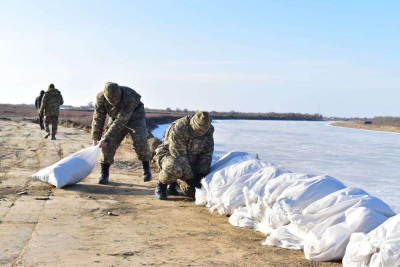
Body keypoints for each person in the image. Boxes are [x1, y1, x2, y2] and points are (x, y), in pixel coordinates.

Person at [91, 82, 152, 184]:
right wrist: (95, 139)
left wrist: (106, 138)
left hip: (135, 118)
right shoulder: (100, 98)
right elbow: (98, 118)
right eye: (111, 101)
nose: (114, 103)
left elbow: (122, 120)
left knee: (140, 139)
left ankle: (146, 168)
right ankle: (104, 173)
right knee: (108, 145)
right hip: (115, 118)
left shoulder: (130, 96)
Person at [155, 111, 214, 200]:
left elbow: (207, 153)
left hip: (190, 160)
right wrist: (189, 178)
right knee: (174, 168)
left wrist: (201, 174)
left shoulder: (209, 130)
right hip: (171, 155)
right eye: (199, 129)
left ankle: (175, 182)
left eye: (204, 130)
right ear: (193, 123)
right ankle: (161, 185)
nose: (201, 131)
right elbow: (178, 154)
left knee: (193, 192)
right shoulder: (180, 127)